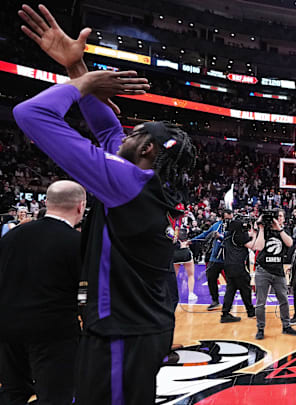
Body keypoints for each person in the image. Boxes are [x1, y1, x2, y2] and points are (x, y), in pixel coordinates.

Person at [15, 6, 197, 403]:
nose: (125, 132)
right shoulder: (142, 179)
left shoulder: (125, 181)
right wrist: (76, 64)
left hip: (124, 333)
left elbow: (29, 113)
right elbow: (106, 129)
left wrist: (86, 84)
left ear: (147, 148)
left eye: (137, 132)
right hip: (137, 327)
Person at [0, 181, 85, 405]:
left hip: (8, 329)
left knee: (13, 393)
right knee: (55, 396)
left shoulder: (11, 237)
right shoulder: (77, 243)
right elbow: (85, 292)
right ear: (81, 206)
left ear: (47, 202)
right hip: (53, 333)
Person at [253, 209, 296, 339]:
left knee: (284, 300)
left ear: (283, 219)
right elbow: (258, 247)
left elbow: (290, 244)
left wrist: (278, 228)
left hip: (278, 271)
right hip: (263, 271)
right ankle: (260, 329)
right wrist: (261, 228)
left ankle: (286, 326)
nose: (277, 218)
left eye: (280, 216)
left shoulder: (285, 231)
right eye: (276, 216)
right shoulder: (264, 230)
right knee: (260, 303)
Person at [219, 215, 260, 323]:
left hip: (228, 265)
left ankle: (225, 313)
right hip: (238, 266)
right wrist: (255, 233)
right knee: (245, 288)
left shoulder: (228, 234)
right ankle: (250, 311)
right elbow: (253, 246)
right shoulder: (239, 234)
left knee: (231, 289)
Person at [191, 209, 232, 311]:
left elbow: (232, 239)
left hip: (229, 258)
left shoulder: (234, 226)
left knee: (232, 281)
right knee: (211, 278)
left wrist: (221, 237)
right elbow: (205, 234)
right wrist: (191, 241)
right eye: (227, 219)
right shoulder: (216, 226)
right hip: (215, 258)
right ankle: (215, 301)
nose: (229, 221)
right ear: (222, 218)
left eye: (230, 219)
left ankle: (228, 304)